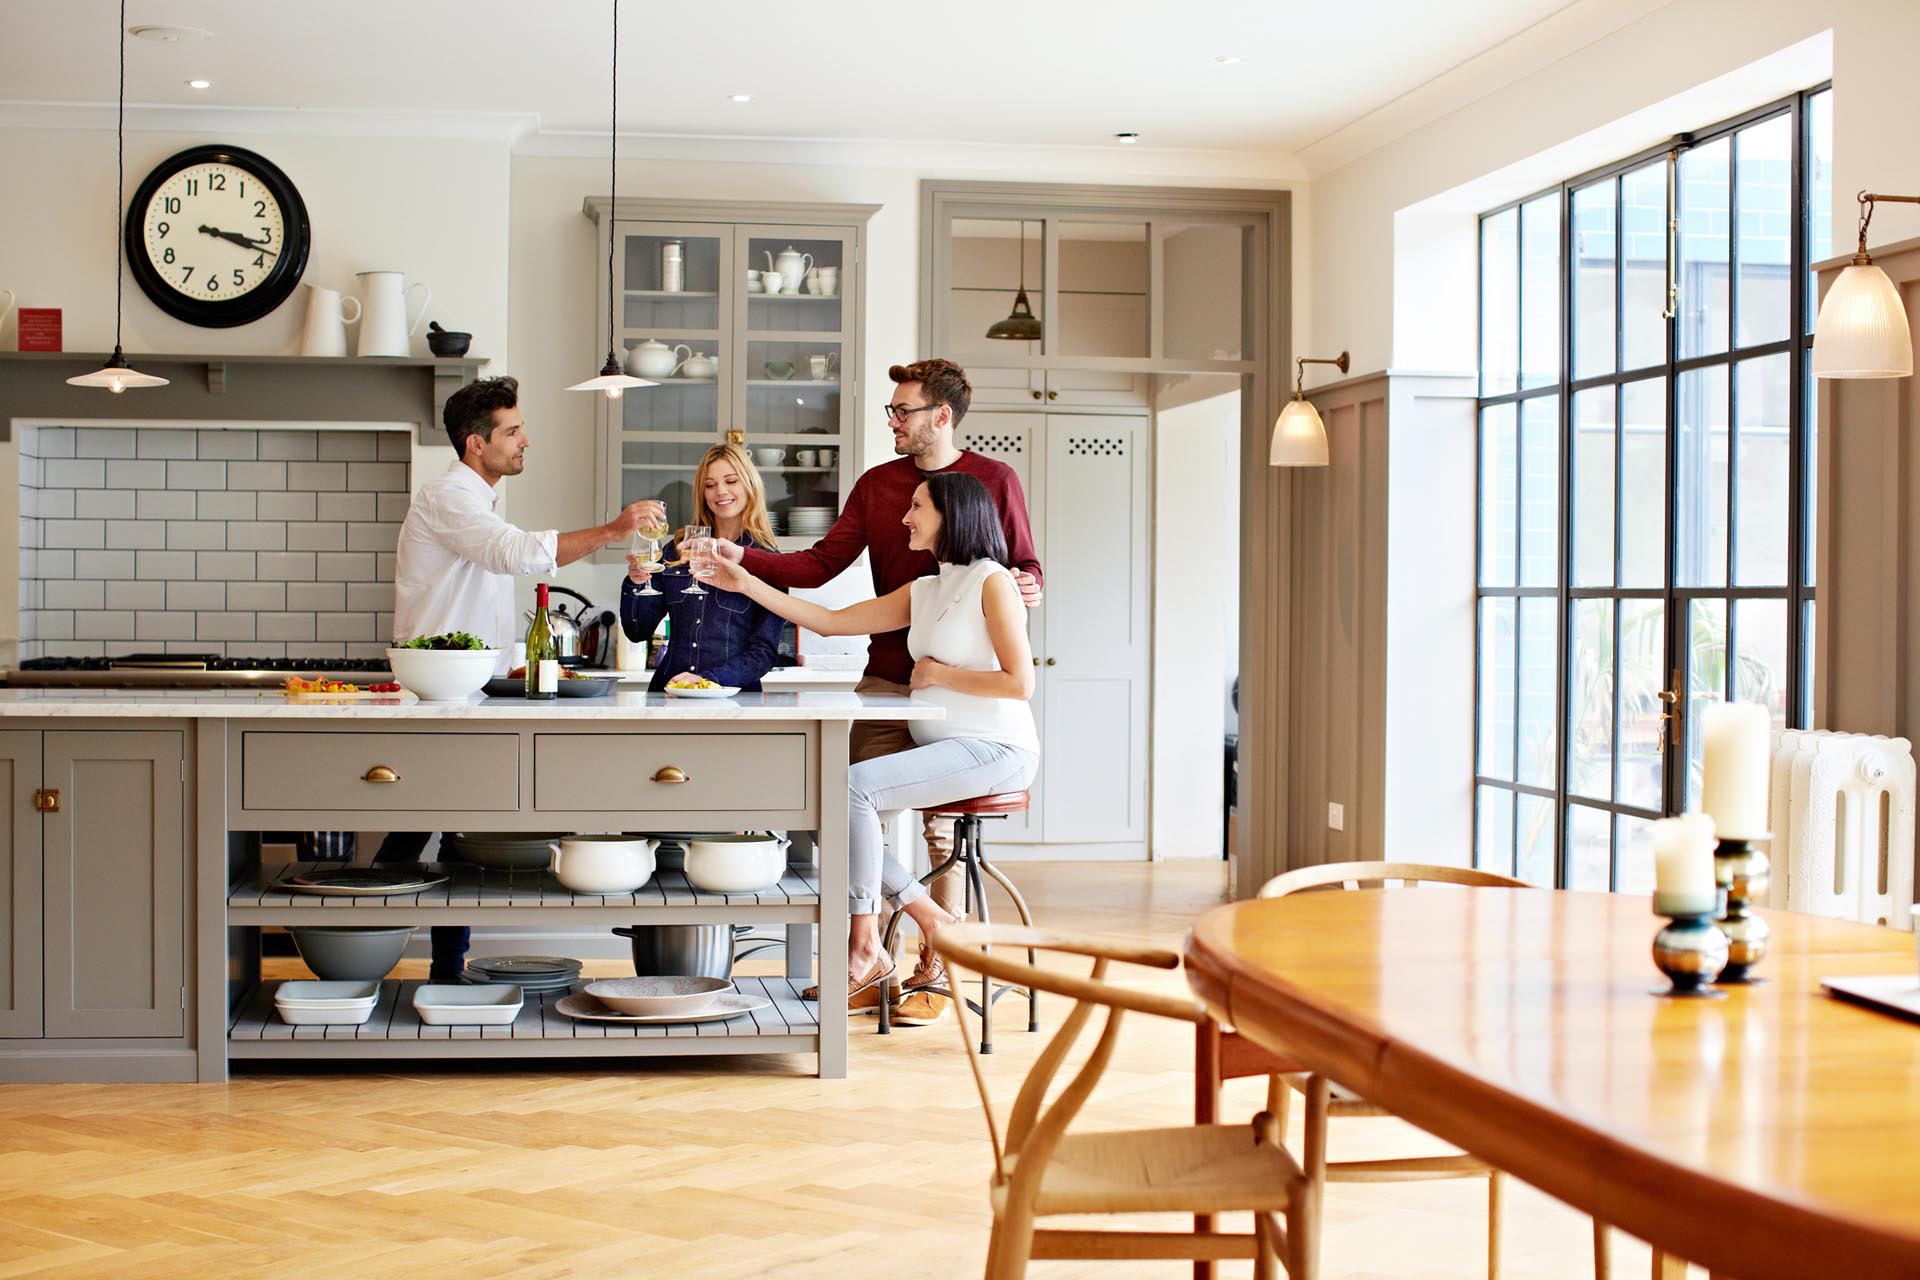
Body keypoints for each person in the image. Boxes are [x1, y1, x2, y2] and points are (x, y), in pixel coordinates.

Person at [709, 358, 1042, 1019]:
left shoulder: (990, 513)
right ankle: (894, 944)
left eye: (902, 410)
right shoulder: (913, 565)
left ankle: (931, 965)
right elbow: (824, 593)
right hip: (900, 694)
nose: (892, 420)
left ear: (939, 416)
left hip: (973, 721)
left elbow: (1021, 592)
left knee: (924, 827)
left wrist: (1017, 592)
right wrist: (743, 569)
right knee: (838, 801)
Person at [384, 375, 656, 979]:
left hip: (462, 686)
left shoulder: (478, 498)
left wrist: (505, 658)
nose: (525, 440)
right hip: (437, 693)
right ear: (475, 444)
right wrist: (613, 531)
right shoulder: (449, 496)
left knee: (441, 828)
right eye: (512, 431)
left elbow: (476, 584)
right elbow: (515, 554)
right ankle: (391, 959)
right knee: (416, 835)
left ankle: (440, 967)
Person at [620, 443, 785, 692]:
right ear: (702, 494)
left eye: (731, 481)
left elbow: (764, 653)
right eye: (710, 485)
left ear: (749, 485)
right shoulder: (676, 550)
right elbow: (636, 630)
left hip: (735, 698)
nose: (720, 491)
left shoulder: (768, 562)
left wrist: (708, 680)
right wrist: (635, 582)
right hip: (669, 694)